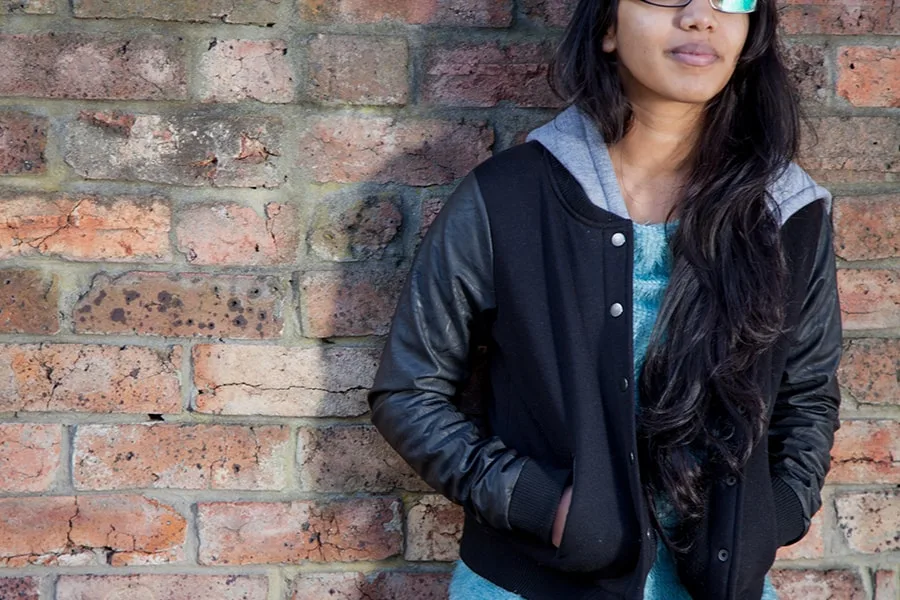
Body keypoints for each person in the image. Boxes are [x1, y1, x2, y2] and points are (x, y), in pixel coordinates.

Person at [367, 0, 842, 597]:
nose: (702, 16)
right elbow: (409, 391)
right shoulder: (508, 198)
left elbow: (808, 395)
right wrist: (545, 506)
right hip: (531, 583)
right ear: (608, 28)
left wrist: (772, 517)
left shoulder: (788, 213)